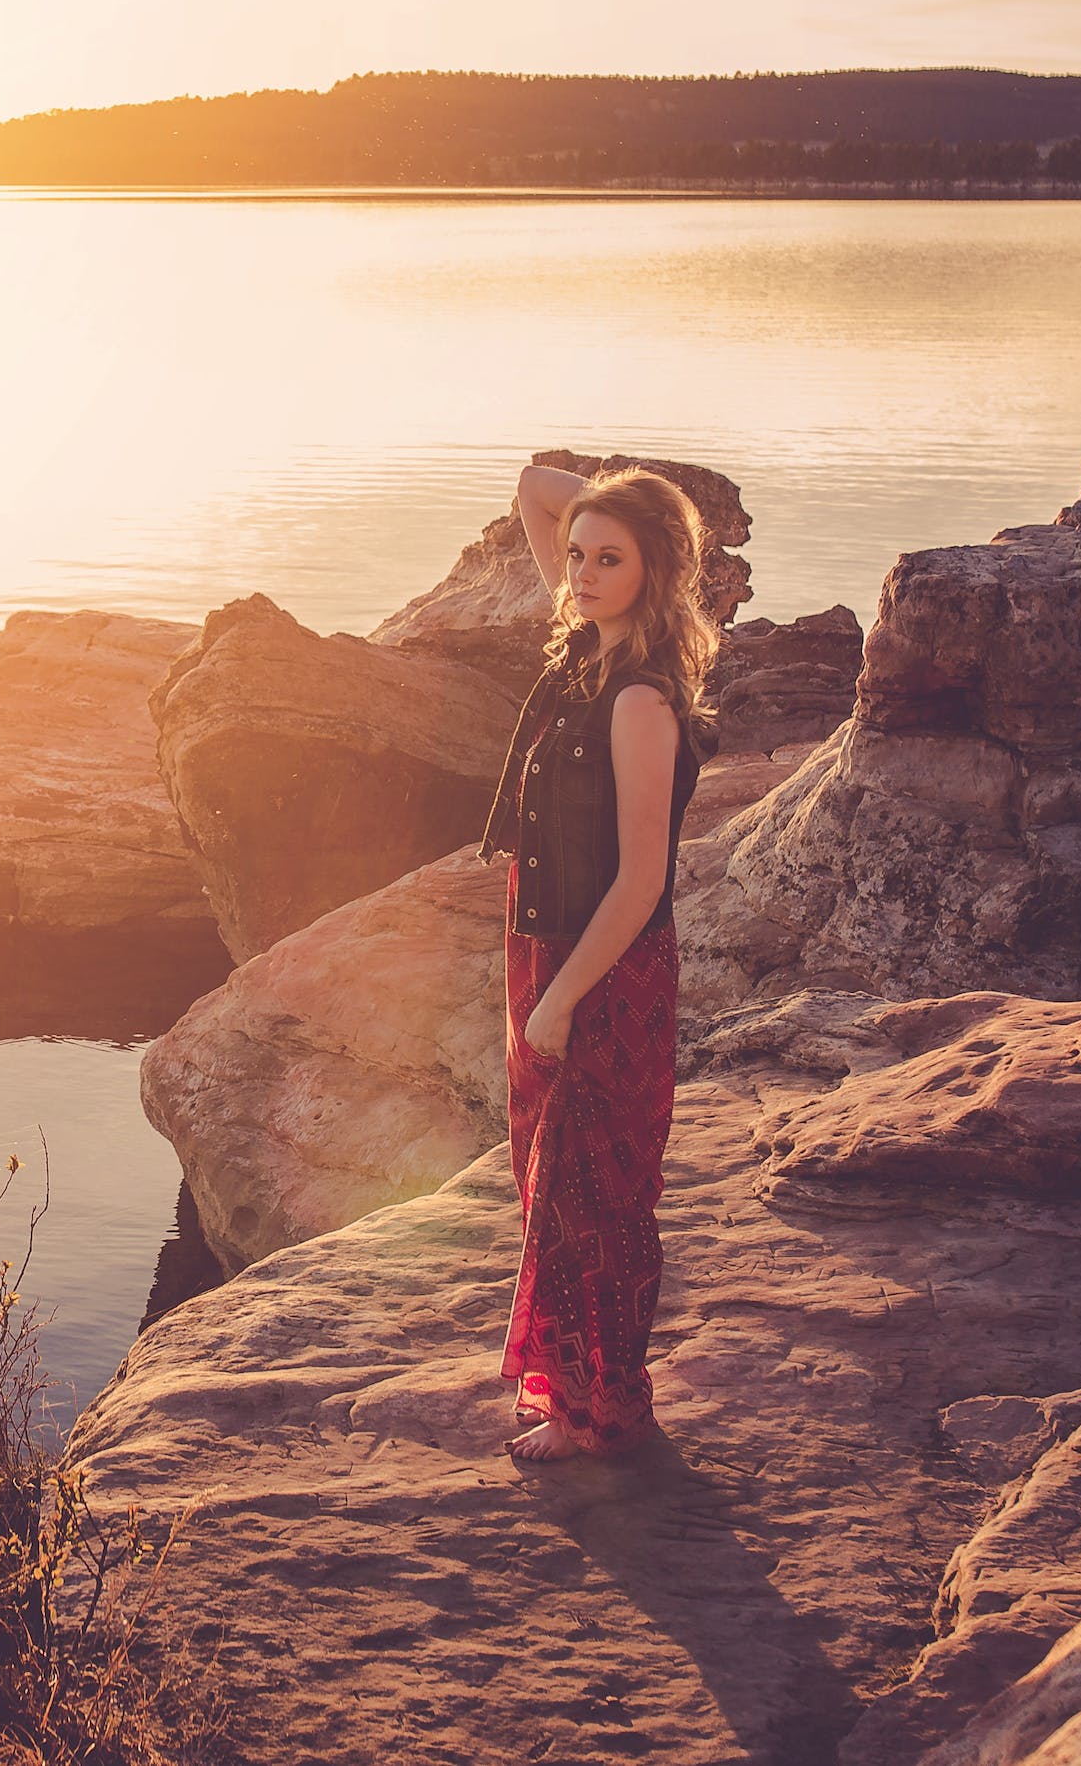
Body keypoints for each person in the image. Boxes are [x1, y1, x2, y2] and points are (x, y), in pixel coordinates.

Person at [477, 461, 719, 1462]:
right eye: (576, 555)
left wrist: (561, 1000)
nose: (577, 572)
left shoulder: (640, 702)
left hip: (603, 966)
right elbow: (538, 484)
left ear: (653, 572)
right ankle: (564, 1389)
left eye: (608, 560)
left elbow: (642, 882)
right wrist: (620, 511)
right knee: (550, 1182)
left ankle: (599, 1413)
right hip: (544, 948)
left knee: (598, 1196)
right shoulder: (585, 646)